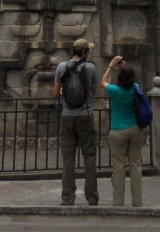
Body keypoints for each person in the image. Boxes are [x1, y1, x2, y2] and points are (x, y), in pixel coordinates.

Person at [53, 38, 99, 206]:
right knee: (89, 156)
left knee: (68, 157)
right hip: (86, 115)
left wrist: (66, 93)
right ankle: (92, 197)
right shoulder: (91, 67)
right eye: (89, 50)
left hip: (67, 115)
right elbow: (94, 90)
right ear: (84, 52)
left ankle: (67, 198)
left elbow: (55, 92)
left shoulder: (61, 67)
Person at [101, 55, 143, 207]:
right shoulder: (135, 88)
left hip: (118, 130)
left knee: (118, 167)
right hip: (135, 129)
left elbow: (103, 81)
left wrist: (112, 66)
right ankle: (137, 202)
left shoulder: (115, 91)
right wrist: (125, 67)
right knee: (136, 165)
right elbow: (131, 78)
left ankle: (118, 202)